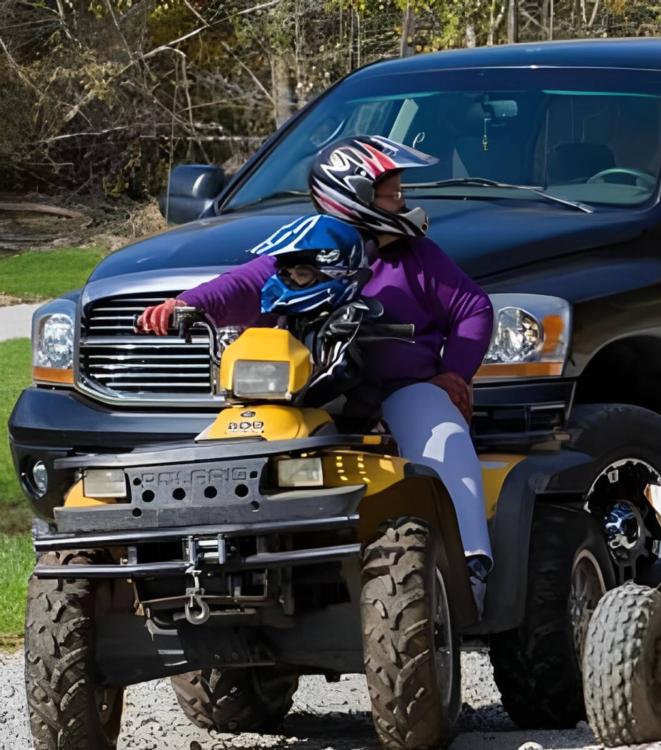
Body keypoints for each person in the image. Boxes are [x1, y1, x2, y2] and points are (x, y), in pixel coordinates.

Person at [138, 135, 495, 614]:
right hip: (303, 394)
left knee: (443, 437)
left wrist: (454, 373)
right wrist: (185, 304)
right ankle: (187, 567)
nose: (403, 201)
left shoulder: (415, 255)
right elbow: (243, 284)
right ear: (355, 197)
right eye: (391, 192)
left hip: (400, 389)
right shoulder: (301, 250)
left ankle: (471, 565)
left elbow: (473, 307)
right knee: (210, 451)